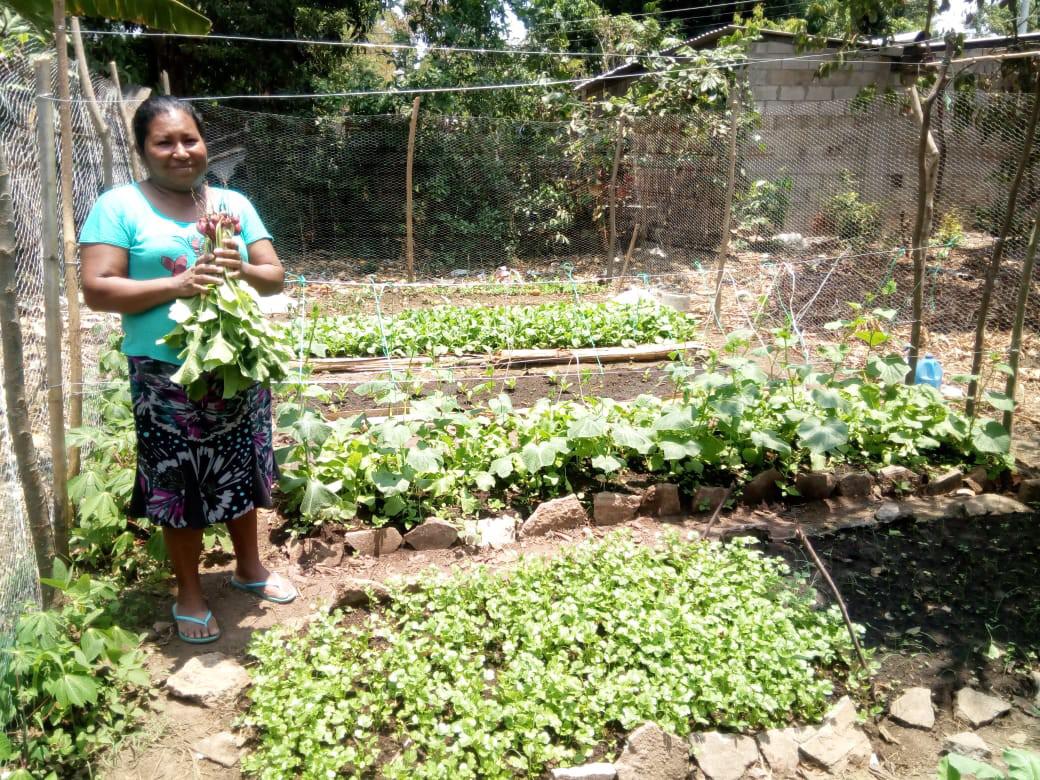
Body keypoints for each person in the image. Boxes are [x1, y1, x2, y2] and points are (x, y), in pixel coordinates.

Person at [79, 96, 296, 644]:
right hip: (164, 373)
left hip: (236, 365)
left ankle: (249, 570)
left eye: (189, 139)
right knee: (180, 480)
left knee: (244, 465)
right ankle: (190, 592)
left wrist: (239, 267)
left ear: (205, 143)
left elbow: (275, 276)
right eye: (164, 142)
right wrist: (177, 285)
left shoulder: (232, 204)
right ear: (143, 150)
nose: (180, 151)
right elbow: (98, 289)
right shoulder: (119, 206)